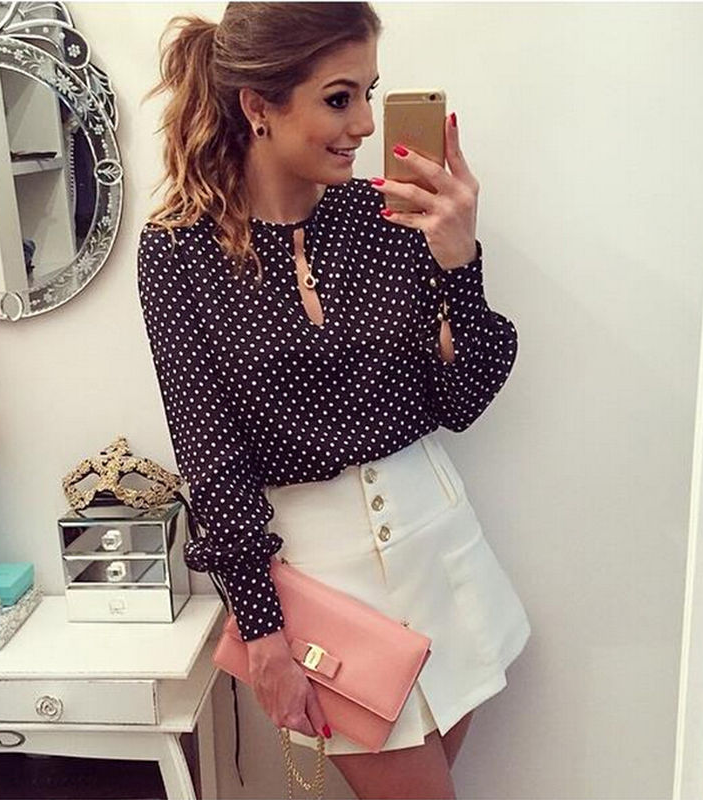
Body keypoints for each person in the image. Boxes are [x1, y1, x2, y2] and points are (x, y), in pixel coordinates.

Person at [137, 4, 532, 798]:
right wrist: (262, 633)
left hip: (440, 545)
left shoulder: (385, 218)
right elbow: (210, 457)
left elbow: (462, 398)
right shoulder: (178, 251)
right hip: (322, 588)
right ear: (260, 105)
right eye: (339, 97)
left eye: (370, 94)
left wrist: (460, 260)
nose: (365, 124)